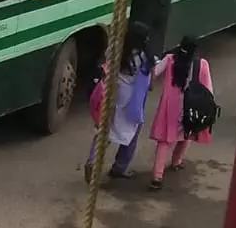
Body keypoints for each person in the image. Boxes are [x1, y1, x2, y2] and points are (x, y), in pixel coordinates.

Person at [84, 22, 152, 182]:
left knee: (104, 130)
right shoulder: (142, 57)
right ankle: (119, 167)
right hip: (130, 99)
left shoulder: (116, 50)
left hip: (112, 93)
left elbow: (105, 62)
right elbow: (148, 79)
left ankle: (92, 161)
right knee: (133, 132)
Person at [147, 36, 213, 189]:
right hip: (190, 105)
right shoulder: (201, 64)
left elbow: (154, 73)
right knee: (188, 133)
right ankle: (176, 161)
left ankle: (157, 176)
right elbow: (209, 89)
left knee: (164, 141)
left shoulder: (170, 59)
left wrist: (149, 86)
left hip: (170, 106)